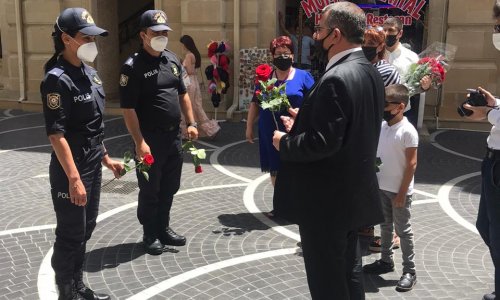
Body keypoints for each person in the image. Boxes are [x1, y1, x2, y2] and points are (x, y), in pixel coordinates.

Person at [272, 3, 385, 299]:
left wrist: (283, 142)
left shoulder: (337, 76)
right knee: (349, 271)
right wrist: (304, 120)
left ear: (335, 34)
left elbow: (322, 143)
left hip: (326, 202)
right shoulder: (367, 70)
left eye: (318, 30)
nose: (315, 37)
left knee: (327, 281)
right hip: (350, 196)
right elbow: (350, 125)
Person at [41, 7, 123, 300]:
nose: (92, 42)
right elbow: (56, 135)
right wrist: (74, 179)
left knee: (86, 228)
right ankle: (65, 291)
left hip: (91, 163)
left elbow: (91, 126)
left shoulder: (91, 74)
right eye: (85, 36)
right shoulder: (56, 79)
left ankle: (77, 286)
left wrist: (106, 158)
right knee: (70, 233)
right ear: (66, 39)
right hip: (70, 170)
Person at [119, 10, 198, 256]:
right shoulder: (132, 67)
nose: (162, 37)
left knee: (169, 186)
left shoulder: (172, 60)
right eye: (156, 33)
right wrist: (139, 142)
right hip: (149, 139)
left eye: (165, 32)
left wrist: (192, 123)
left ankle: (163, 228)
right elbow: (128, 109)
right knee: (150, 189)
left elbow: (183, 94)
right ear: (143, 35)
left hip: (173, 136)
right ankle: (150, 233)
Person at [245, 35, 314, 218]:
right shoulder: (266, 78)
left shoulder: (303, 76)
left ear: (292, 55)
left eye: (286, 53)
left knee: (295, 167)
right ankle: (282, 205)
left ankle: (298, 205)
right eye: (278, 53)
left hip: (295, 129)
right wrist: (249, 126)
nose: (282, 56)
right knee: (275, 169)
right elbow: (255, 102)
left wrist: (303, 114)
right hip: (269, 129)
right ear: (272, 55)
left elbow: (315, 102)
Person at [362, 84, 418, 292]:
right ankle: (386, 260)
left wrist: (402, 192)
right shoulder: (383, 126)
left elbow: (412, 163)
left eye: (386, 104)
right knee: (384, 226)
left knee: (403, 231)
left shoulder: (408, 131)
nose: (383, 108)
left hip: (399, 190)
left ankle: (410, 270)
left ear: (400, 106)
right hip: (381, 187)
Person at [465, 3, 500, 299]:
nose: (496, 34)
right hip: (493, 161)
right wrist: (493, 104)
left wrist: (489, 112)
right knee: (486, 227)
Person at [361, 26, 402, 251]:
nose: (366, 48)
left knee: (383, 179)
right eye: (363, 43)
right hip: (369, 130)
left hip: (381, 130)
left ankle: (393, 234)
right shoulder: (368, 66)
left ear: (380, 46)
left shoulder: (383, 69)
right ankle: (368, 225)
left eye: (370, 44)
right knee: (370, 179)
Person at [383, 17, 431, 127]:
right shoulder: (376, 54)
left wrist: (425, 86)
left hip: (403, 112)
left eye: (390, 30)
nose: (386, 33)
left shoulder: (411, 57)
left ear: (400, 33)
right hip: (378, 110)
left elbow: (418, 84)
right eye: (384, 30)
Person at [179, 35, 221, 138]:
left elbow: (189, 71)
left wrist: (181, 65)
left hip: (188, 82)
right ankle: (209, 128)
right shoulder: (195, 54)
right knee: (196, 106)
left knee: (187, 106)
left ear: (186, 45)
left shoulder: (189, 55)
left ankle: (187, 132)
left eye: (182, 44)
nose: (182, 47)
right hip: (194, 81)